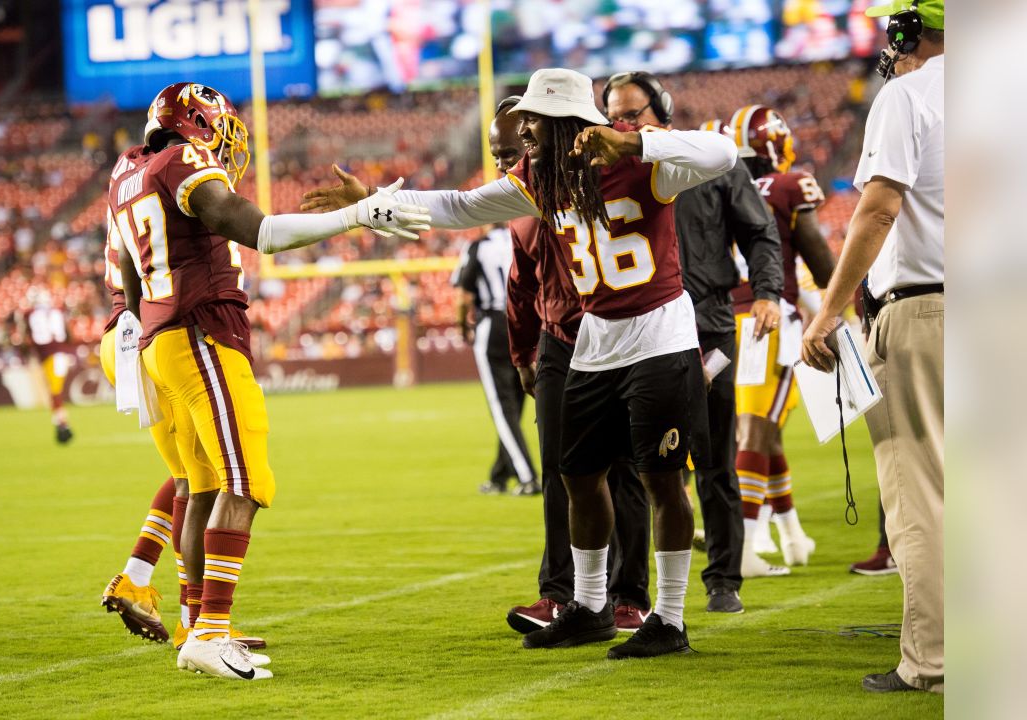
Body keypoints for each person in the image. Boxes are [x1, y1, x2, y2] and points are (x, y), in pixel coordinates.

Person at [304, 68, 736, 659]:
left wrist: (635, 138)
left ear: (566, 122)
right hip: (595, 343)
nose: (524, 129)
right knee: (575, 475)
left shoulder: (643, 163)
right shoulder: (538, 178)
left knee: (661, 480)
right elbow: (457, 205)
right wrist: (371, 205)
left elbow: (724, 151)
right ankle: (588, 607)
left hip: (659, 334)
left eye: (534, 119)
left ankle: (671, 617)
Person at [112, 81, 430, 680]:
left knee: (202, 487)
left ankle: (202, 624)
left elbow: (130, 270)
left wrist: (151, 331)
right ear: (200, 124)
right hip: (198, 332)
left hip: (167, 336)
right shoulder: (182, 160)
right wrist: (358, 214)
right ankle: (207, 635)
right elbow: (260, 231)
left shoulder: (131, 171)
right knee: (246, 479)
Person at [603, 73, 786, 615]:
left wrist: (770, 292)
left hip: (707, 326)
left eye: (632, 113)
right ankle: (628, 592)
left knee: (713, 457)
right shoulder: (608, 168)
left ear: (663, 110)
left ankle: (723, 578)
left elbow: (759, 230)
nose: (621, 123)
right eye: (613, 113)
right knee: (632, 466)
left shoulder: (708, 161)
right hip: (639, 331)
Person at [801, 0, 944, 694]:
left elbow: (881, 206)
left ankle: (935, 659)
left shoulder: (909, 94)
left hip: (930, 312)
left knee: (922, 494)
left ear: (909, 30)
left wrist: (827, 313)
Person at [489, 95, 649, 635]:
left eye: (513, 149)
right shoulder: (518, 201)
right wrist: (523, 354)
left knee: (627, 469)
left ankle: (630, 596)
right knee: (562, 469)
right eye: (497, 154)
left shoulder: (599, 178)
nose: (506, 164)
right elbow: (521, 284)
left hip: (615, 331)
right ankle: (562, 595)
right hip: (558, 340)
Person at [97, 221, 264, 650]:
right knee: (204, 482)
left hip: (125, 333)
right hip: (156, 331)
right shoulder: (173, 179)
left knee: (191, 472)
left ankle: (136, 578)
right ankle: (196, 624)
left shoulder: (131, 179)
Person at [730, 104, 837, 574]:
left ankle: (793, 535)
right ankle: (745, 547)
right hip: (769, 317)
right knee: (757, 429)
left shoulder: (722, 182)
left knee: (764, 432)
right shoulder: (790, 185)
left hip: (726, 319)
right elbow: (817, 256)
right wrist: (844, 303)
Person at [452, 208, 541, 495]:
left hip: (493, 323)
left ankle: (528, 477)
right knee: (517, 400)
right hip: (526, 320)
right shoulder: (521, 235)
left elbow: (464, 296)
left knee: (503, 409)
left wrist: (462, 326)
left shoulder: (478, 247)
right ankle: (500, 474)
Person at [26, 292, 74, 444]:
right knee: (53, 392)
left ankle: (62, 425)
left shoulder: (29, 315)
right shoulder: (57, 312)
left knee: (55, 391)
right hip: (59, 354)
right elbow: (68, 335)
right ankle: (61, 424)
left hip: (50, 355)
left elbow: (28, 338)